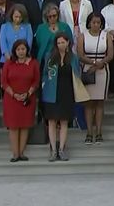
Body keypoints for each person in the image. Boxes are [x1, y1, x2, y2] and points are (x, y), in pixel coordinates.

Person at [41, 32, 88, 161]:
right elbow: (45, 73)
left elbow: (77, 75)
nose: (61, 45)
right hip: (52, 92)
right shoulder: (49, 56)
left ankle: (61, 149)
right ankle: (53, 149)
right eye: (58, 43)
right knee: (51, 121)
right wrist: (45, 86)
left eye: (63, 42)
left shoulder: (73, 58)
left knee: (64, 121)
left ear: (68, 42)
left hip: (67, 92)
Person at [76, 12, 113, 144]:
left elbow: (110, 55)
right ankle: (89, 132)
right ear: (89, 23)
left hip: (102, 70)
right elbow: (80, 54)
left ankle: (99, 132)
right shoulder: (82, 36)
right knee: (89, 103)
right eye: (93, 22)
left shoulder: (106, 36)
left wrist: (99, 64)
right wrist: (92, 63)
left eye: (98, 22)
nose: (96, 25)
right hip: (87, 69)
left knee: (99, 102)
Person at [1, 39, 40, 162]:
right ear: (15, 51)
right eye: (18, 49)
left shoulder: (33, 63)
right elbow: (4, 82)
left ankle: (22, 153)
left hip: (27, 98)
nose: (21, 52)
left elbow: (36, 81)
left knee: (24, 126)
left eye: (23, 49)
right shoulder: (9, 63)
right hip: (11, 99)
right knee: (13, 126)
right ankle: (15, 154)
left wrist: (28, 93)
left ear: (27, 50)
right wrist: (14, 94)